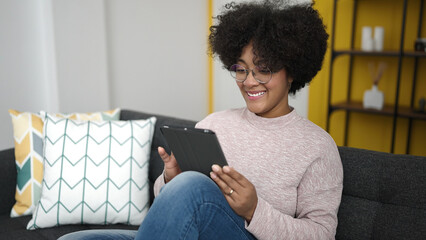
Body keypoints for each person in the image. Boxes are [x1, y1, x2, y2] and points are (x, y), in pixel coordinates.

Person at [59, 1, 343, 239]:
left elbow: (321, 234)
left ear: (291, 71)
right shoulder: (215, 123)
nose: (249, 82)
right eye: (241, 70)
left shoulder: (317, 146)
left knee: (192, 187)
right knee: (77, 239)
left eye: (263, 70)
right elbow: (173, 207)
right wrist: (171, 178)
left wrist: (255, 210)